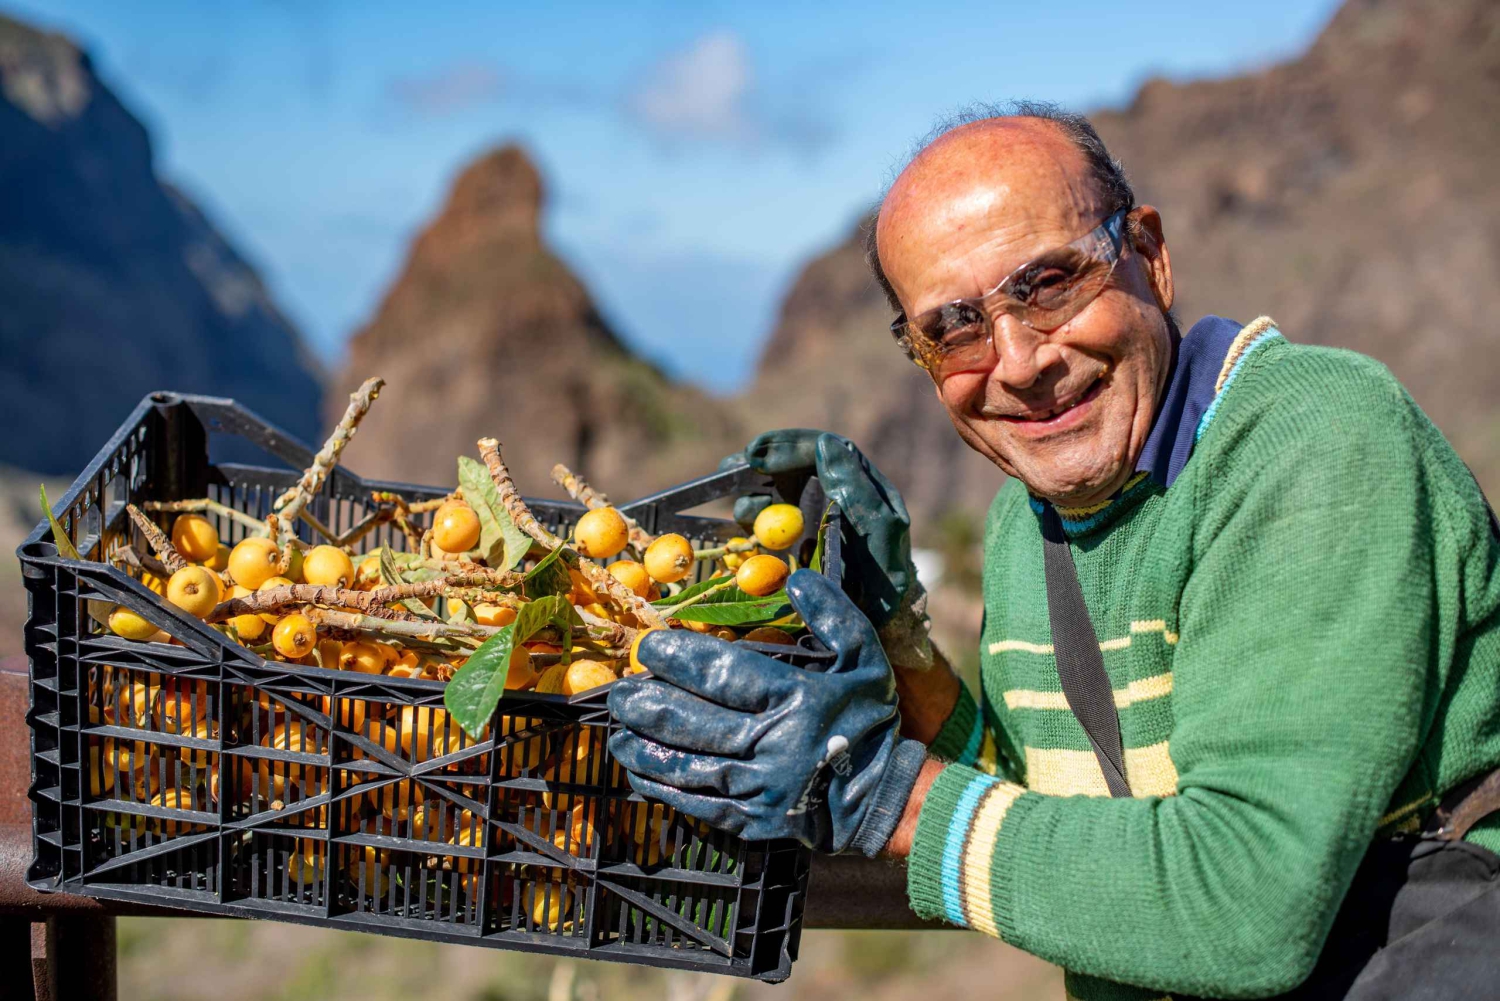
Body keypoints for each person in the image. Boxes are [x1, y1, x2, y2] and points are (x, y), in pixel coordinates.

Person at [608, 103, 1500, 999]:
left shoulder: (1312, 441)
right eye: (954, 328)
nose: (1019, 361)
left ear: (1149, 255)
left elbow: (1246, 901)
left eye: (1046, 284)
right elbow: (1035, 815)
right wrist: (895, 634)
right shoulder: (1027, 524)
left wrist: (883, 796)